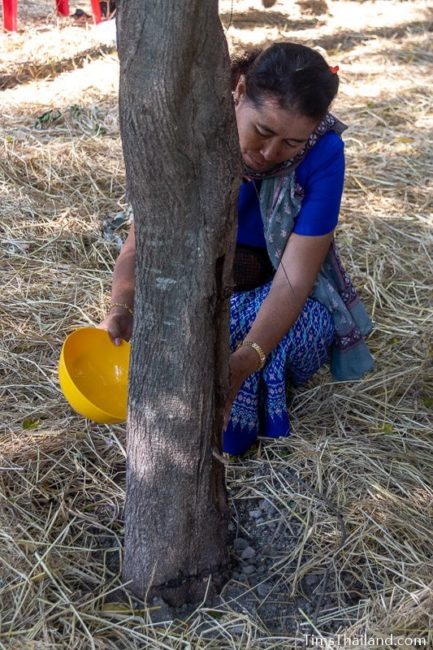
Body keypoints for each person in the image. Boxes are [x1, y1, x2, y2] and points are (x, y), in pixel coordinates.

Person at [99, 42, 374, 456]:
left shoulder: (326, 152)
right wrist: (122, 305)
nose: (268, 154)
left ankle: (236, 380)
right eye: (262, 131)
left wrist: (248, 357)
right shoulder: (197, 131)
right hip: (194, 286)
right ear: (240, 91)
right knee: (191, 337)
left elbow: (294, 279)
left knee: (311, 327)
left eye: (291, 143)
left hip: (270, 293)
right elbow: (143, 243)